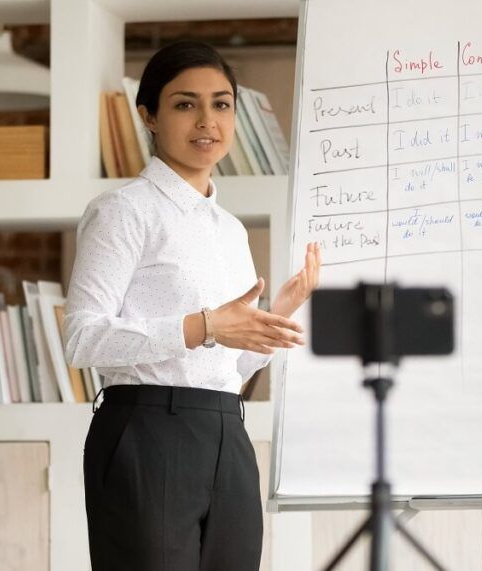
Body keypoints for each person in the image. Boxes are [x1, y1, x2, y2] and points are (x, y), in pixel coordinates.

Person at [63, 39, 320, 570]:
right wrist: (205, 326)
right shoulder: (123, 211)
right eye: (185, 104)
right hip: (146, 432)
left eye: (221, 104)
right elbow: (82, 338)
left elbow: (226, 366)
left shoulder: (229, 230)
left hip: (226, 428)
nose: (208, 120)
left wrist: (277, 315)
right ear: (149, 116)